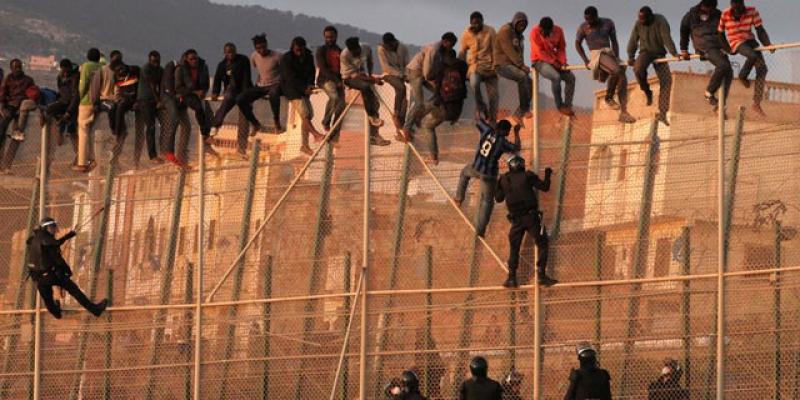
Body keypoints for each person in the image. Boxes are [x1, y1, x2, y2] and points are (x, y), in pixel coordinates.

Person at [26, 217, 108, 319]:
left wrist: (67, 236)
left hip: (38, 277)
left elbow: (53, 244)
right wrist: (67, 270)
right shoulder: (47, 240)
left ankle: (56, 313)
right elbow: (57, 258)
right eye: (52, 227)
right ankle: (95, 310)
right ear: (46, 228)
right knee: (74, 290)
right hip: (52, 274)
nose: (55, 230)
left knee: (48, 300)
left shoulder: (34, 239)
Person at [495, 154, 556, 287]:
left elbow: (498, 198)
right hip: (531, 217)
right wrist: (548, 173)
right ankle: (541, 275)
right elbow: (545, 187)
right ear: (521, 164)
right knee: (542, 242)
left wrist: (497, 183)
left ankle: (511, 277)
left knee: (514, 247)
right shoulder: (527, 175)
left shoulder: (504, 179)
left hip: (516, 220)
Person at [454, 119, 520, 237]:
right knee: (487, 202)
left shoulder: (487, 130)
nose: (508, 134)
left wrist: (488, 120)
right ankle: (480, 230)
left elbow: (478, 121)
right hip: (489, 175)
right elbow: (516, 148)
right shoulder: (502, 142)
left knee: (464, 173)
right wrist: (516, 133)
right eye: (508, 131)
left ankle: (459, 198)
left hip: (476, 168)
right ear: (504, 130)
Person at [577, 6, 636, 124]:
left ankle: (624, 112)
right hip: (597, 54)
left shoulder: (608, 23)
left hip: (609, 53)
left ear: (596, 16)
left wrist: (616, 57)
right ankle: (609, 97)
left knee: (622, 76)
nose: (589, 22)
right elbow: (577, 43)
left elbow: (614, 41)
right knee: (617, 71)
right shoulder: (583, 27)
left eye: (590, 20)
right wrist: (585, 60)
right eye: (586, 19)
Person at [718, 0, 772, 115]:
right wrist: (728, 49)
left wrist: (768, 44)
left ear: (743, 5)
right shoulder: (725, 14)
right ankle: (742, 75)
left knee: (762, 69)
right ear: (732, 6)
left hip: (750, 40)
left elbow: (760, 30)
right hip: (736, 41)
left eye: (740, 9)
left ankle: (756, 103)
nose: (738, 12)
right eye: (735, 9)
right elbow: (720, 34)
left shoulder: (752, 11)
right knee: (752, 56)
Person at [627, 6, 679, 125]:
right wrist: (631, 55)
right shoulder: (638, 24)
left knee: (666, 81)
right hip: (645, 52)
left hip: (659, 53)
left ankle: (662, 113)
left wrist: (674, 52)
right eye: (640, 20)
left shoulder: (660, 20)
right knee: (638, 69)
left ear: (651, 16)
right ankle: (647, 91)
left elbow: (666, 37)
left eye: (644, 20)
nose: (642, 22)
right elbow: (633, 40)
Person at [403, 32, 458, 138]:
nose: (450, 48)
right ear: (445, 42)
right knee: (418, 102)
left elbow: (435, 69)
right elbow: (427, 69)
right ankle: (407, 128)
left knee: (441, 94)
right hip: (415, 71)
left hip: (425, 74)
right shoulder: (434, 49)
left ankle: (419, 116)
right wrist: (432, 80)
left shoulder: (442, 51)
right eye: (450, 45)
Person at [418, 48, 468, 165]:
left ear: (444, 58)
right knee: (432, 104)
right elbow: (463, 93)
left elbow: (435, 89)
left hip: (444, 110)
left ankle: (433, 156)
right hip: (456, 111)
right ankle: (415, 120)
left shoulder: (441, 68)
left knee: (427, 125)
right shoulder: (462, 67)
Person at [680, 0, 731, 110]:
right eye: (707, 9)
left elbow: (723, 32)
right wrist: (684, 49)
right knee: (723, 65)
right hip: (704, 45)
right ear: (702, 5)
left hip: (717, 45)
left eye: (711, 9)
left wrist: (727, 47)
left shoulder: (718, 14)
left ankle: (720, 104)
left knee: (728, 71)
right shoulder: (691, 15)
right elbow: (684, 31)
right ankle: (709, 92)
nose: (709, 11)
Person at [340, 36, 390, 146]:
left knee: (375, 103)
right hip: (349, 78)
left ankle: (374, 135)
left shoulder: (366, 47)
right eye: (353, 53)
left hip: (362, 75)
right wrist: (373, 80)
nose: (355, 55)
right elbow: (354, 75)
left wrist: (371, 74)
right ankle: (372, 116)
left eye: (357, 52)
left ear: (359, 47)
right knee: (365, 87)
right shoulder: (344, 55)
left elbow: (370, 61)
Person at [281, 36, 323, 156]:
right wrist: (304, 88)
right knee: (304, 113)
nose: (299, 52)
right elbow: (290, 78)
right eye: (297, 50)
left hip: (305, 89)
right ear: (293, 48)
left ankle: (304, 145)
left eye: (301, 50)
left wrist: (310, 85)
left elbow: (311, 72)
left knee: (309, 115)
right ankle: (315, 134)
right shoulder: (286, 59)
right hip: (291, 90)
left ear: (304, 48)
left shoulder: (309, 57)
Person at [237, 33, 283, 139]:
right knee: (240, 99)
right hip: (261, 86)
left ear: (267, 45)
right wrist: (257, 84)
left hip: (275, 84)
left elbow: (284, 72)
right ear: (255, 48)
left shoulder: (277, 56)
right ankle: (255, 123)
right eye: (258, 48)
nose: (261, 50)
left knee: (274, 94)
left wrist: (279, 84)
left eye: (263, 47)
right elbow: (260, 70)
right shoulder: (254, 56)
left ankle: (276, 121)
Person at [175, 49, 218, 157]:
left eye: (195, 58)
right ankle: (205, 136)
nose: (194, 61)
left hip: (199, 95)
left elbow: (206, 83)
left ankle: (207, 140)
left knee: (208, 113)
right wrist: (194, 92)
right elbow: (178, 88)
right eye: (191, 59)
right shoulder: (181, 69)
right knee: (198, 108)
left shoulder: (203, 67)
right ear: (187, 60)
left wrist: (203, 91)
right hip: (186, 95)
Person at [531, 17, 576, 117]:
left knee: (571, 78)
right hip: (539, 61)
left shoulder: (558, 31)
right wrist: (553, 62)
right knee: (556, 77)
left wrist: (562, 61)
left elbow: (561, 48)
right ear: (540, 28)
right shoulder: (534, 32)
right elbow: (539, 52)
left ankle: (567, 106)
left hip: (555, 60)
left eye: (545, 32)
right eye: (541, 31)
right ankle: (559, 106)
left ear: (551, 29)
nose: (543, 33)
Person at [0, 59, 38, 174]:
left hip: (21, 110)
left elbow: (33, 94)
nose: (17, 69)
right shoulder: (8, 79)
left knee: (16, 138)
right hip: (10, 107)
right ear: (11, 68)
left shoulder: (28, 80)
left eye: (19, 67)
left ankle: (7, 165)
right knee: (1, 132)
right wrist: (2, 107)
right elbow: (2, 94)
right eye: (15, 67)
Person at [460, 11, 498, 124]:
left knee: (494, 96)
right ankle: (482, 107)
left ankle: (492, 120)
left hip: (490, 67)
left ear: (482, 21)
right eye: (473, 23)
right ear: (471, 23)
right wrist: (460, 66)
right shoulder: (466, 33)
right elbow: (462, 51)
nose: (476, 25)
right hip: (475, 67)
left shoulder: (490, 31)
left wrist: (496, 66)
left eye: (478, 23)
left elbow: (496, 50)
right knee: (474, 84)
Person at [494, 12, 532, 125]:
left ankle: (519, 113)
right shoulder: (505, 31)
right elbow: (508, 50)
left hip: (515, 65)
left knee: (531, 84)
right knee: (522, 77)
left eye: (525, 24)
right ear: (515, 21)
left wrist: (522, 65)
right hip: (502, 64)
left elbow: (519, 54)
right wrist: (521, 66)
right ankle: (525, 109)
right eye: (520, 23)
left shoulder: (520, 36)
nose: (522, 26)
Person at [74, 48, 106, 172]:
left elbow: (83, 85)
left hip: (86, 102)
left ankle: (82, 162)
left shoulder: (87, 66)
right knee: (90, 131)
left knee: (83, 131)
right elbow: (104, 61)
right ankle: (92, 159)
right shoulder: (102, 66)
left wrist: (79, 99)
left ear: (87, 57)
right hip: (98, 102)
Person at [210, 43, 252, 135]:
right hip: (231, 91)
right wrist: (215, 92)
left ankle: (244, 140)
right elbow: (217, 79)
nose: (231, 54)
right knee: (226, 102)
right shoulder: (222, 65)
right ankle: (216, 125)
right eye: (228, 52)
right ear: (224, 53)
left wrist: (246, 93)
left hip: (243, 90)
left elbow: (246, 77)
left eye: (233, 52)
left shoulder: (243, 60)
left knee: (245, 113)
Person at [45, 59, 80, 163]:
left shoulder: (75, 77)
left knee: (72, 131)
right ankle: (57, 131)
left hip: (73, 106)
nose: (64, 71)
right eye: (63, 69)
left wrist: (68, 112)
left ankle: (79, 156)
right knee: (49, 110)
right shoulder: (60, 77)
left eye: (66, 69)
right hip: (63, 102)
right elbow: (60, 91)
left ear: (69, 68)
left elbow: (75, 96)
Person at [160, 56, 192, 168]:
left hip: (178, 98)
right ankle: (169, 152)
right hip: (168, 97)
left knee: (187, 125)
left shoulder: (185, 69)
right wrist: (176, 96)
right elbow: (168, 85)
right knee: (175, 120)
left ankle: (181, 155)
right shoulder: (171, 65)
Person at [377, 32, 410, 135]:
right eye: (386, 46)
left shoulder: (403, 48)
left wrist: (405, 74)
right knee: (401, 87)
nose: (388, 48)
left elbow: (407, 64)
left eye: (389, 46)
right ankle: (396, 113)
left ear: (394, 43)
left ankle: (400, 126)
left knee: (405, 101)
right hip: (388, 74)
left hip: (402, 74)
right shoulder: (381, 49)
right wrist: (399, 74)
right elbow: (386, 67)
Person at [135, 50, 164, 166]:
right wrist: (159, 101)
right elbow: (152, 85)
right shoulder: (146, 69)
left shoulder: (160, 70)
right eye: (153, 61)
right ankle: (152, 155)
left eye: (157, 61)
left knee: (165, 124)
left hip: (155, 100)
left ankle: (164, 151)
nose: (156, 63)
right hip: (145, 100)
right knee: (150, 127)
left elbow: (162, 85)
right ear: (149, 60)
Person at [316, 26, 346, 139]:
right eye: (327, 37)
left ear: (336, 37)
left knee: (342, 105)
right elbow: (322, 68)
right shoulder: (321, 50)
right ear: (324, 37)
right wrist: (336, 80)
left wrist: (342, 81)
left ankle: (334, 133)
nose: (329, 39)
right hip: (325, 80)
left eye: (331, 37)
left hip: (338, 81)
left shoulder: (340, 51)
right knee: (334, 97)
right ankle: (326, 121)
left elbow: (344, 67)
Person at [109, 62, 141, 163]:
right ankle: (117, 131)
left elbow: (141, 88)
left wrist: (137, 101)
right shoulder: (116, 76)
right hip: (124, 98)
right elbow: (118, 89)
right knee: (114, 108)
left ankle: (118, 133)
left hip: (135, 99)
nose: (120, 77)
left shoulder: (135, 71)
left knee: (121, 106)